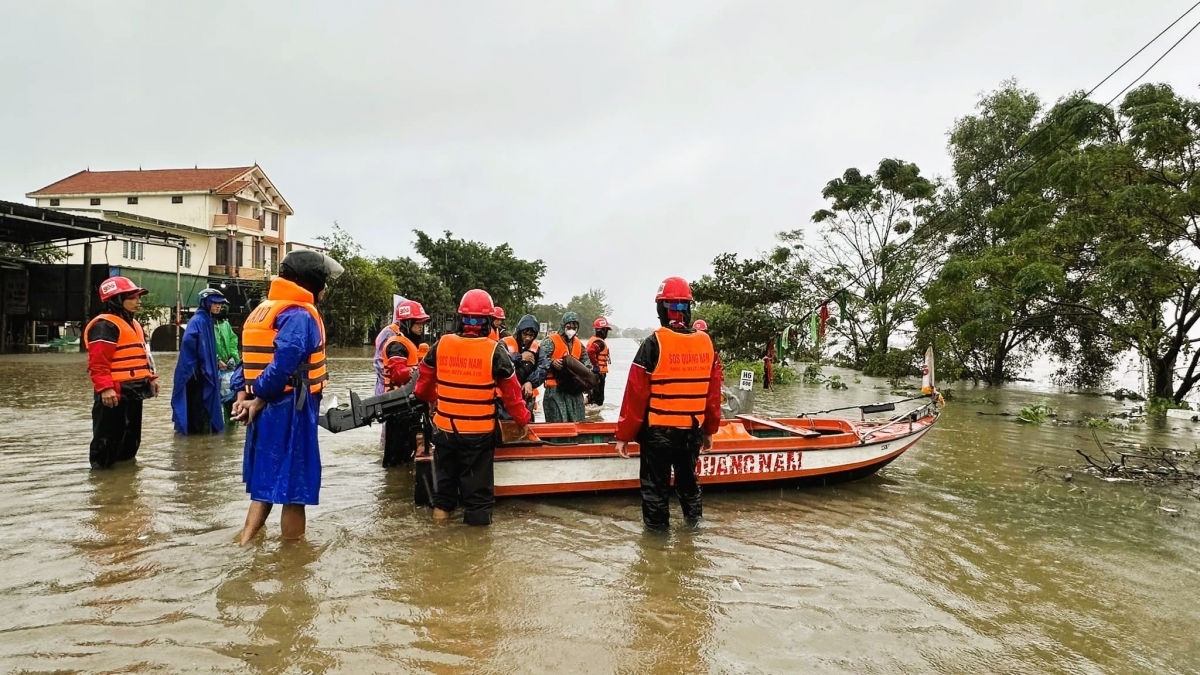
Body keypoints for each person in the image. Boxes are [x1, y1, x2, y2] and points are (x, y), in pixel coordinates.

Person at [231, 249, 344, 545]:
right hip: (290, 408)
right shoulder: (300, 315)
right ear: (310, 281)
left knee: (266, 481)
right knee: (295, 490)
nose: (326, 288)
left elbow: (246, 362)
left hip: (265, 408)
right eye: (323, 281)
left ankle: (245, 543)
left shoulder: (265, 309)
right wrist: (259, 398)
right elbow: (284, 363)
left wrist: (244, 395)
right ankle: (293, 560)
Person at [415, 289, 531, 525]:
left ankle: (438, 544)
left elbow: (422, 388)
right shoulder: (495, 350)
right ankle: (475, 556)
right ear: (488, 322)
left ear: (461, 319)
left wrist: (435, 402)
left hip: (445, 432)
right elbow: (512, 395)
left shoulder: (441, 344)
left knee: (443, 497)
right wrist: (523, 421)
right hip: (478, 436)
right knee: (478, 500)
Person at [615, 277, 723, 530]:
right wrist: (709, 430)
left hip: (659, 434)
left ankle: (655, 548)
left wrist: (624, 435)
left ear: (661, 309)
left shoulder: (653, 343)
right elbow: (713, 396)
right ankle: (693, 537)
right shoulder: (706, 343)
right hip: (691, 432)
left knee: (655, 491)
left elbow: (635, 394)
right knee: (689, 486)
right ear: (689, 308)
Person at [84, 276, 160, 469]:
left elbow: (143, 355)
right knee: (107, 442)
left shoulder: (134, 325)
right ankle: (104, 486)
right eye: (133, 297)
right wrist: (105, 388)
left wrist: (150, 379)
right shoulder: (104, 326)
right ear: (117, 299)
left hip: (135, 391)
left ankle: (125, 485)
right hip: (114, 393)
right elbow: (98, 362)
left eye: (138, 297)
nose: (138, 301)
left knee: (130, 442)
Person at [379, 299, 431, 467]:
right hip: (397, 407)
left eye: (422, 323)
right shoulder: (396, 344)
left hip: (408, 405)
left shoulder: (411, 345)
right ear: (407, 323)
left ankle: (400, 484)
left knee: (408, 453)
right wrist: (418, 371)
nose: (421, 326)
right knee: (396, 458)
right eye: (418, 323)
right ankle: (393, 487)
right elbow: (398, 374)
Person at [171, 289, 228, 435]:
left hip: (202, 369)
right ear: (206, 302)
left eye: (220, 304)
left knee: (201, 405)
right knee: (197, 405)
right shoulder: (199, 320)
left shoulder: (207, 319)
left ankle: (201, 436)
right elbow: (190, 342)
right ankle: (196, 436)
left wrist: (213, 360)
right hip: (196, 372)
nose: (218, 307)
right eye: (215, 303)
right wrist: (202, 363)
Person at [539, 311, 591, 423]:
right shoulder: (550, 341)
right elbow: (539, 359)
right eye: (569, 326)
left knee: (578, 423)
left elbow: (587, 365)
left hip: (574, 390)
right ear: (563, 325)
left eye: (575, 326)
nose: (572, 328)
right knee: (558, 422)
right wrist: (552, 362)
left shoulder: (579, 345)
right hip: (555, 390)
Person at [501, 314, 548, 419]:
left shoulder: (537, 349)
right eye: (525, 334)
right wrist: (519, 357)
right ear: (519, 332)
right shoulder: (503, 344)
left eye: (531, 335)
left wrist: (531, 382)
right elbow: (499, 363)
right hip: (504, 398)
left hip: (526, 396)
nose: (527, 338)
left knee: (527, 427)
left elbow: (543, 367)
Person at [214, 298, 240, 424]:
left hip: (228, 370)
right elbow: (204, 346)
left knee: (231, 403)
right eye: (219, 304)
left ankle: (230, 437)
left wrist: (233, 358)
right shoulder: (207, 324)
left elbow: (233, 342)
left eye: (224, 305)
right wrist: (217, 359)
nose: (222, 308)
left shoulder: (226, 325)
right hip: (212, 370)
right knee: (212, 403)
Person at [586, 317, 612, 407]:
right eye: (606, 330)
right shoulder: (599, 343)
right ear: (602, 331)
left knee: (591, 397)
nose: (607, 333)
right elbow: (590, 352)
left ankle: (579, 408)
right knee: (598, 400)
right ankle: (595, 418)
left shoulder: (593, 340)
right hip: (598, 373)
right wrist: (596, 365)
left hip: (593, 373)